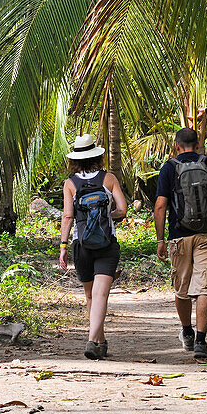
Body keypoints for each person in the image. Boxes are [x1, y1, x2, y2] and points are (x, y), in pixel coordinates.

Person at [154, 127, 207, 359]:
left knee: (182, 289)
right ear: (199, 143)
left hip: (178, 236)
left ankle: (187, 333)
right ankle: (202, 342)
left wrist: (161, 240)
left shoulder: (169, 169)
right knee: (205, 287)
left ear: (176, 146)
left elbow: (160, 206)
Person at [59, 133, 127, 359]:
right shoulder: (109, 179)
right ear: (97, 155)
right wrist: (109, 214)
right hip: (107, 244)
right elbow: (123, 209)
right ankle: (95, 339)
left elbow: (68, 217)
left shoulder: (70, 183)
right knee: (101, 295)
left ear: (75, 159)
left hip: (82, 244)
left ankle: (96, 340)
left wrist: (63, 246)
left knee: (90, 296)